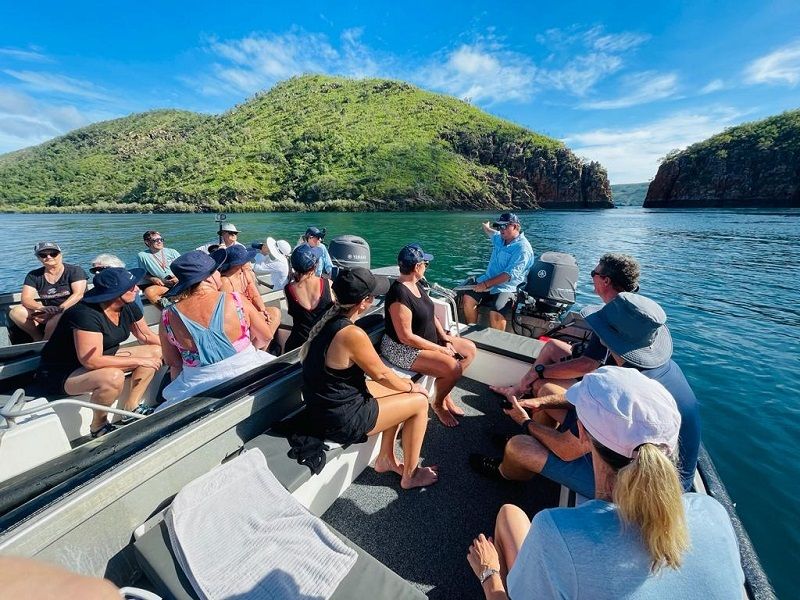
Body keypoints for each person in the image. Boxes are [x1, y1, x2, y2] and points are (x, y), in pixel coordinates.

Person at [467, 367, 744, 600]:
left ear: (583, 433)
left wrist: (490, 574)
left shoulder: (557, 532)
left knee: (509, 515)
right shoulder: (712, 513)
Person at [471, 292, 700, 496]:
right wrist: (538, 402)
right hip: (624, 452)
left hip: (639, 490)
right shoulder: (636, 366)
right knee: (547, 390)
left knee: (519, 446)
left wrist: (524, 422)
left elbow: (567, 450)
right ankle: (537, 438)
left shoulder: (621, 389)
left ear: (606, 336)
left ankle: (506, 473)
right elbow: (578, 398)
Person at [300, 267, 438, 489]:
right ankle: (410, 476)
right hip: (340, 419)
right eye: (373, 296)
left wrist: (406, 386)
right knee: (420, 403)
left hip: (325, 407)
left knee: (402, 389)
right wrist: (413, 388)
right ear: (364, 302)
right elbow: (381, 374)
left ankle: (385, 459)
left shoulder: (329, 320)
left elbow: (380, 376)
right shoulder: (351, 334)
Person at [491, 252, 640, 401]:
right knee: (552, 346)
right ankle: (517, 391)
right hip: (600, 369)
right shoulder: (627, 308)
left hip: (607, 386)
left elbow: (589, 365)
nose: (592, 277)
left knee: (541, 386)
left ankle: (532, 418)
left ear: (606, 281)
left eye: (593, 273)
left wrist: (539, 371)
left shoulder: (611, 316)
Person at [35, 268, 162, 437]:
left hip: (103, 358)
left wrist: (183, 348)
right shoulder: (85, 314)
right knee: (113, 377)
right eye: (131, 287)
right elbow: (92, 361)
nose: (137, 289)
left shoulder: (128, 305)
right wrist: (140, 361)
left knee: (155, 351)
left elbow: (146, 335)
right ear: (114, 293)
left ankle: (131, 408)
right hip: (62, 372)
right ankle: (98, 426)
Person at [158, 251, 276, 410]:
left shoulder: (167, 316)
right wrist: (249, 349)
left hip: (199, 386)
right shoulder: (236, 300)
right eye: (217, 271)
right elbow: (266, 336)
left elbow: (174, 363)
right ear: (208, 277)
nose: (220, 274)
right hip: (248, 373)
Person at [381, 243, 477, 427]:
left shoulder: (417, 285)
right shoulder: (399, 294)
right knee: (453, 368)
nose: (426, 267)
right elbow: (405, 337)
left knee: (469, 350)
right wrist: (440, 349)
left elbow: (431, 315)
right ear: (417, 267)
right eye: (425, 263)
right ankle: (439, 404)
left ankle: (444, 391)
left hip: (427, 341)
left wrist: (445, 339)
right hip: (402, 350)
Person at [461, 213, 534, 331]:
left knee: (496, 311)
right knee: (468, 299)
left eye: (504, 226)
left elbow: (508, 275)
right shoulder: (500, 238)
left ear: (515, 226)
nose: (501, 230)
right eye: (499, 227)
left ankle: (497, 342)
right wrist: (486, 226)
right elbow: (491, 232)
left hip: (508, 287)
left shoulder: (523, 249)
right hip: (488, 280)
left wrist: (485, 285)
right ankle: (471, 332)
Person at [9, 242, 88, 341]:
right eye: (43, 255)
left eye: (53, 254)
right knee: (16, 312)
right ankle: (37, 338)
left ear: (60, 254)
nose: (49, 257)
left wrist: (58, 310)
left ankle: (45, 345)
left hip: (72, 310)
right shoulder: (33, 275)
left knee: (53, 321)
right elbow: (26, 298)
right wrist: (42, 308)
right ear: (38, 258)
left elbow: (78, 295)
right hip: (48, 310)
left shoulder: (75, 271)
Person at [213, 245, 281, 343]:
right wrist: (256, 316)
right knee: (262, 323)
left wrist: (262, 310)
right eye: (247, 260)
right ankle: (252, 348)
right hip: (236, 320)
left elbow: (255, 295)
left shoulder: (245, 274)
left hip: (250, 313)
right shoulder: (224, 283)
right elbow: (232, 312)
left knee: (275, 313)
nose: (250, 262)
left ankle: (260, 350)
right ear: (238, 265)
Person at [283, 245, 334, 352]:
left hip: (297, 346)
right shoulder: (328, 284)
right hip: (324, 344)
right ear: (315, 265)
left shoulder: (288, 290)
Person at [137, 230, 181, 305]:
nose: (160, 242)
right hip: (164, 285)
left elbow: (185, 267)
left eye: (161, 239)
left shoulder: (172, 252)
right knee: (149, 292)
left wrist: (178, 277)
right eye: (156, 240)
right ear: (147, 242)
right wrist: (153, 279)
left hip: (180, 282)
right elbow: (143, 273)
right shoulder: (142, 256)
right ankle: (168, 311)